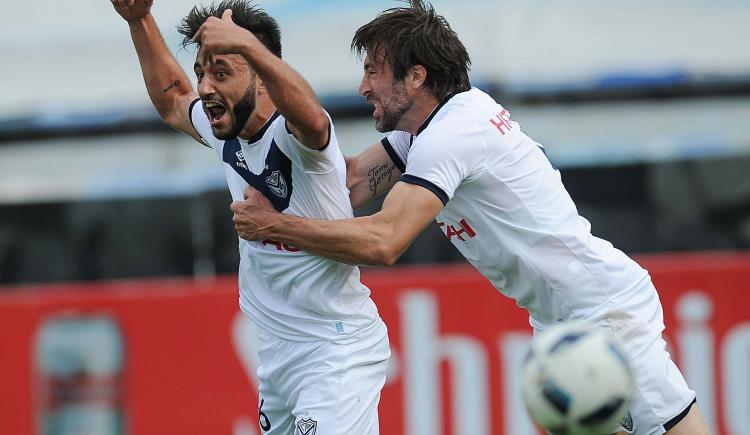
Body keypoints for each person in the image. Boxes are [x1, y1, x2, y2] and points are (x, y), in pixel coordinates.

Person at [230, 1, 713, 434]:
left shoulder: (451, 136)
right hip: (561, 321)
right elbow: (349, 183)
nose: (362, 87)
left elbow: (384, 240)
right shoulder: (426, 131)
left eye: (374, 72)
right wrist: (253, 143)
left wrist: (274, 227)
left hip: (603, 317)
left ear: (415, 77)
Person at [110, 1, 391, 434]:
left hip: (334, 352)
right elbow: (172, 100)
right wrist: (139, 20)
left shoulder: (296, 138)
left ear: (261, 77)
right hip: (277, 353)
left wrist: (248, 46)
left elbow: (312, 118)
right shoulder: (225, 128)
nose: (204, 87)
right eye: (202, 72)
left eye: (220, 73)